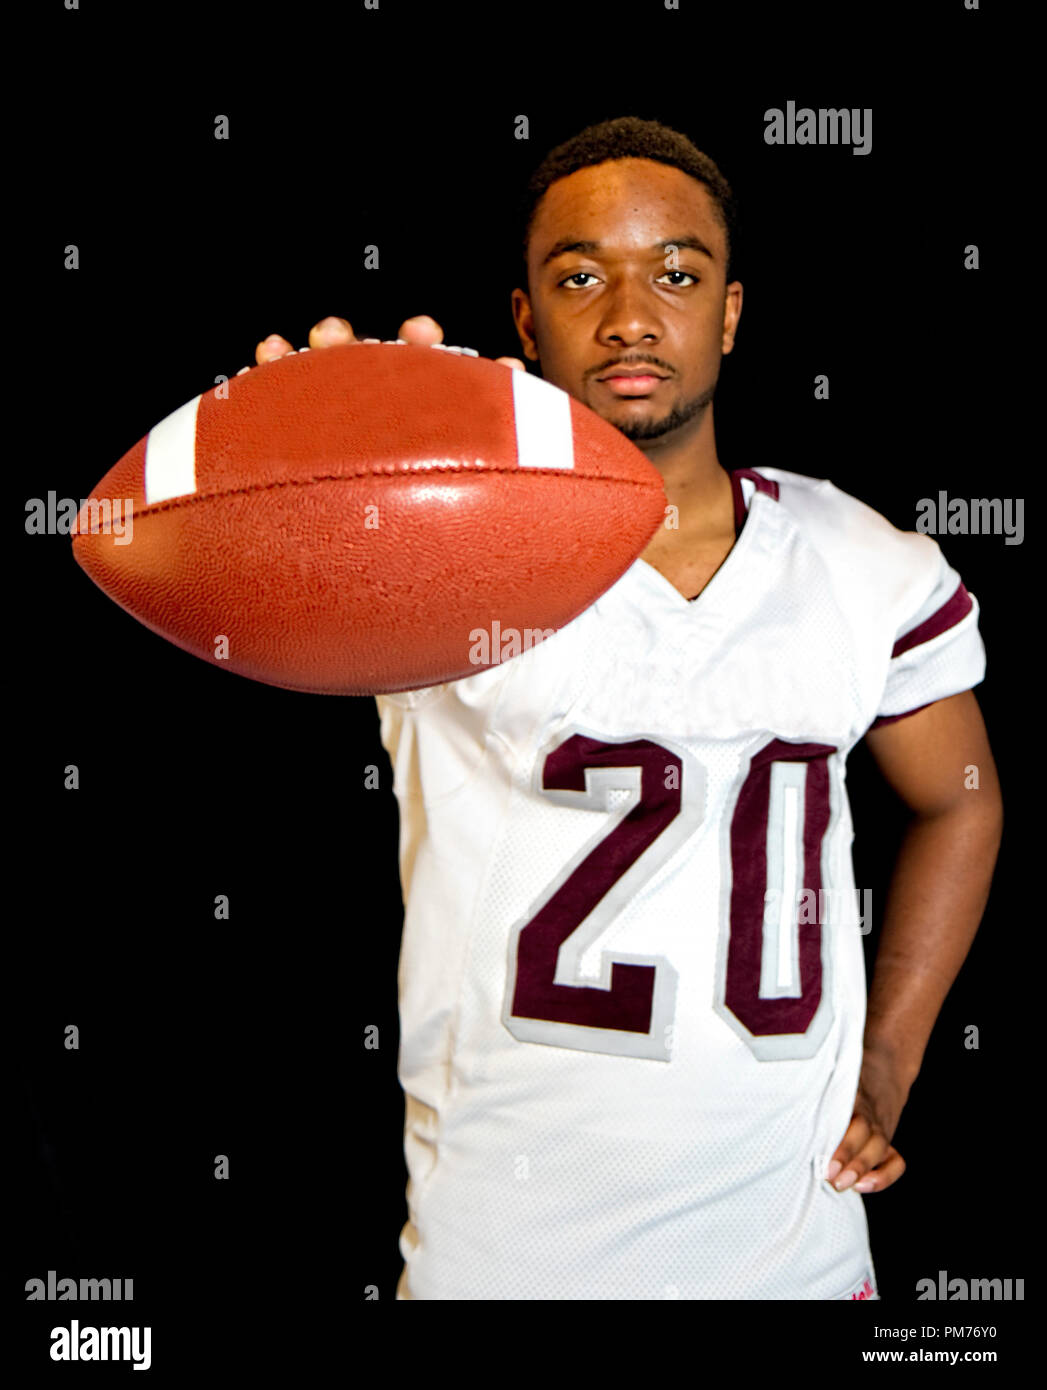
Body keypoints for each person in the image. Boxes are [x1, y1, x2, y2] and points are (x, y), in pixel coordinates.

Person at [255, 117, 1002, 1300]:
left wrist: (892, 1057)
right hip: (506, 1266)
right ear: (524, 317)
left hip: (794, 1261)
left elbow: (961, 801)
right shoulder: (435, 547)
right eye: (580, 277)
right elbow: (282, 562)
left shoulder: (862, 565)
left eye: (677, 274)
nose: (629, 317)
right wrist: (313, 440)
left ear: (732, 312)